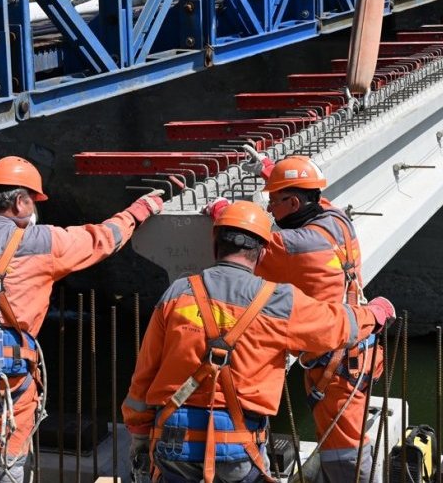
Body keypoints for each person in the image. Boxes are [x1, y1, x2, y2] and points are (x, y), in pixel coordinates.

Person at [0, 156, 164, 483]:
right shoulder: (44, 242)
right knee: (8, 468)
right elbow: (103, 239)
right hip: (11, 380)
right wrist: (137, 212)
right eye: (33, 201)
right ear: (20, 202)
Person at [122, 201, 395, 483]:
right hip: (237, 449)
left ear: (215, 244)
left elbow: (144, 376)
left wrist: (140, 435)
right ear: (263, 252)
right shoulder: (278, 301)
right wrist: (374, 314)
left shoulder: (178, 293)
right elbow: (339, 327)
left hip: (173, 443)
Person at [205, 153, 381, 483]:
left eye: (274, 202)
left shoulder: (293, 247)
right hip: (356, 348)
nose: (270, 210)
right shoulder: (337, 219)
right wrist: (270, 172)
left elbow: (244, 240)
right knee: (348, 437)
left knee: (343, 451)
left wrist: (220, 210)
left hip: (335, 362)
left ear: (295, 202)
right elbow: (311, 193)